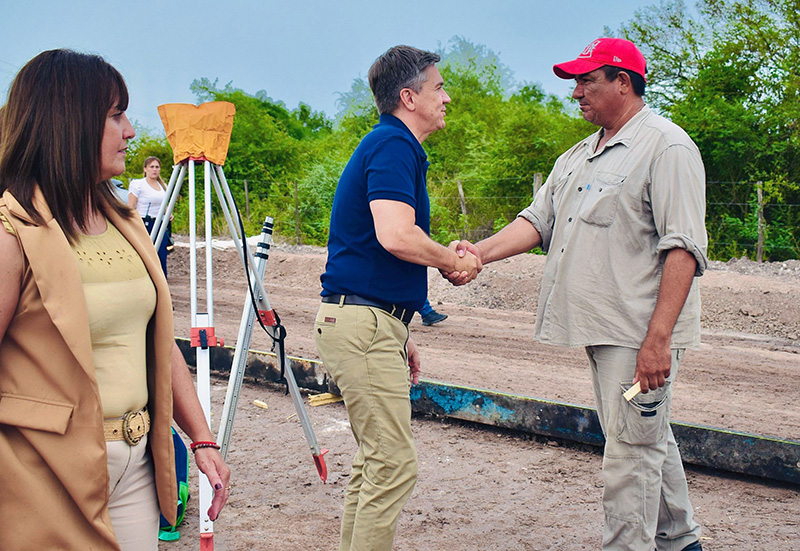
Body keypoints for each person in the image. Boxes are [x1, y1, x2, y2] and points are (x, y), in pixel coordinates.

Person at [447, 38, 706, 551]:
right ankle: (682, 542)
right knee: (645, 438)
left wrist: (658, 341)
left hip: (637, 335)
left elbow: (684, 249)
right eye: (575, 82)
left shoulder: (667, 147)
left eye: (587, 81)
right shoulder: (579, 156)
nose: (576, 93)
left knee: (630, 455)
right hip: (600, 327)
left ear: (623, 82)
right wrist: (476, 253)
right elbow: (536, 222)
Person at [0, 49, 230, 551]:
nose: (130, 130)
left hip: (138, 463)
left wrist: (203, 439)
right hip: (44, 473)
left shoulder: (126, 221)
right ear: (68, 122)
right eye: (115, 115)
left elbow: (157, 341)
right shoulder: (11, 229)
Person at [314, 45, 481, 551]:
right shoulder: (393, 146)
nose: (447, 97)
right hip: (362, 325)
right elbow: (396, 236)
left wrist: (400, 326)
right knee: (393, 464)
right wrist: (452, 260)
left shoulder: (390, 145)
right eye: (438, 87)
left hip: (368, 322)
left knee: (375, 463)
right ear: (408, 97)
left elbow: (383, 247)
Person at [128, 156, 171, 276]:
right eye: (152, 167)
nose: (154, 170)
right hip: (143, 223)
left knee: (161, 253)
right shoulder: (138, 184)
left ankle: (162, 281)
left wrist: (168, 212)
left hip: (160, 224)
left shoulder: (163, 186)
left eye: (157, 167)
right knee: (145, 254)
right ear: (145, 169)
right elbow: (131, 206)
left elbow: (163, 204)